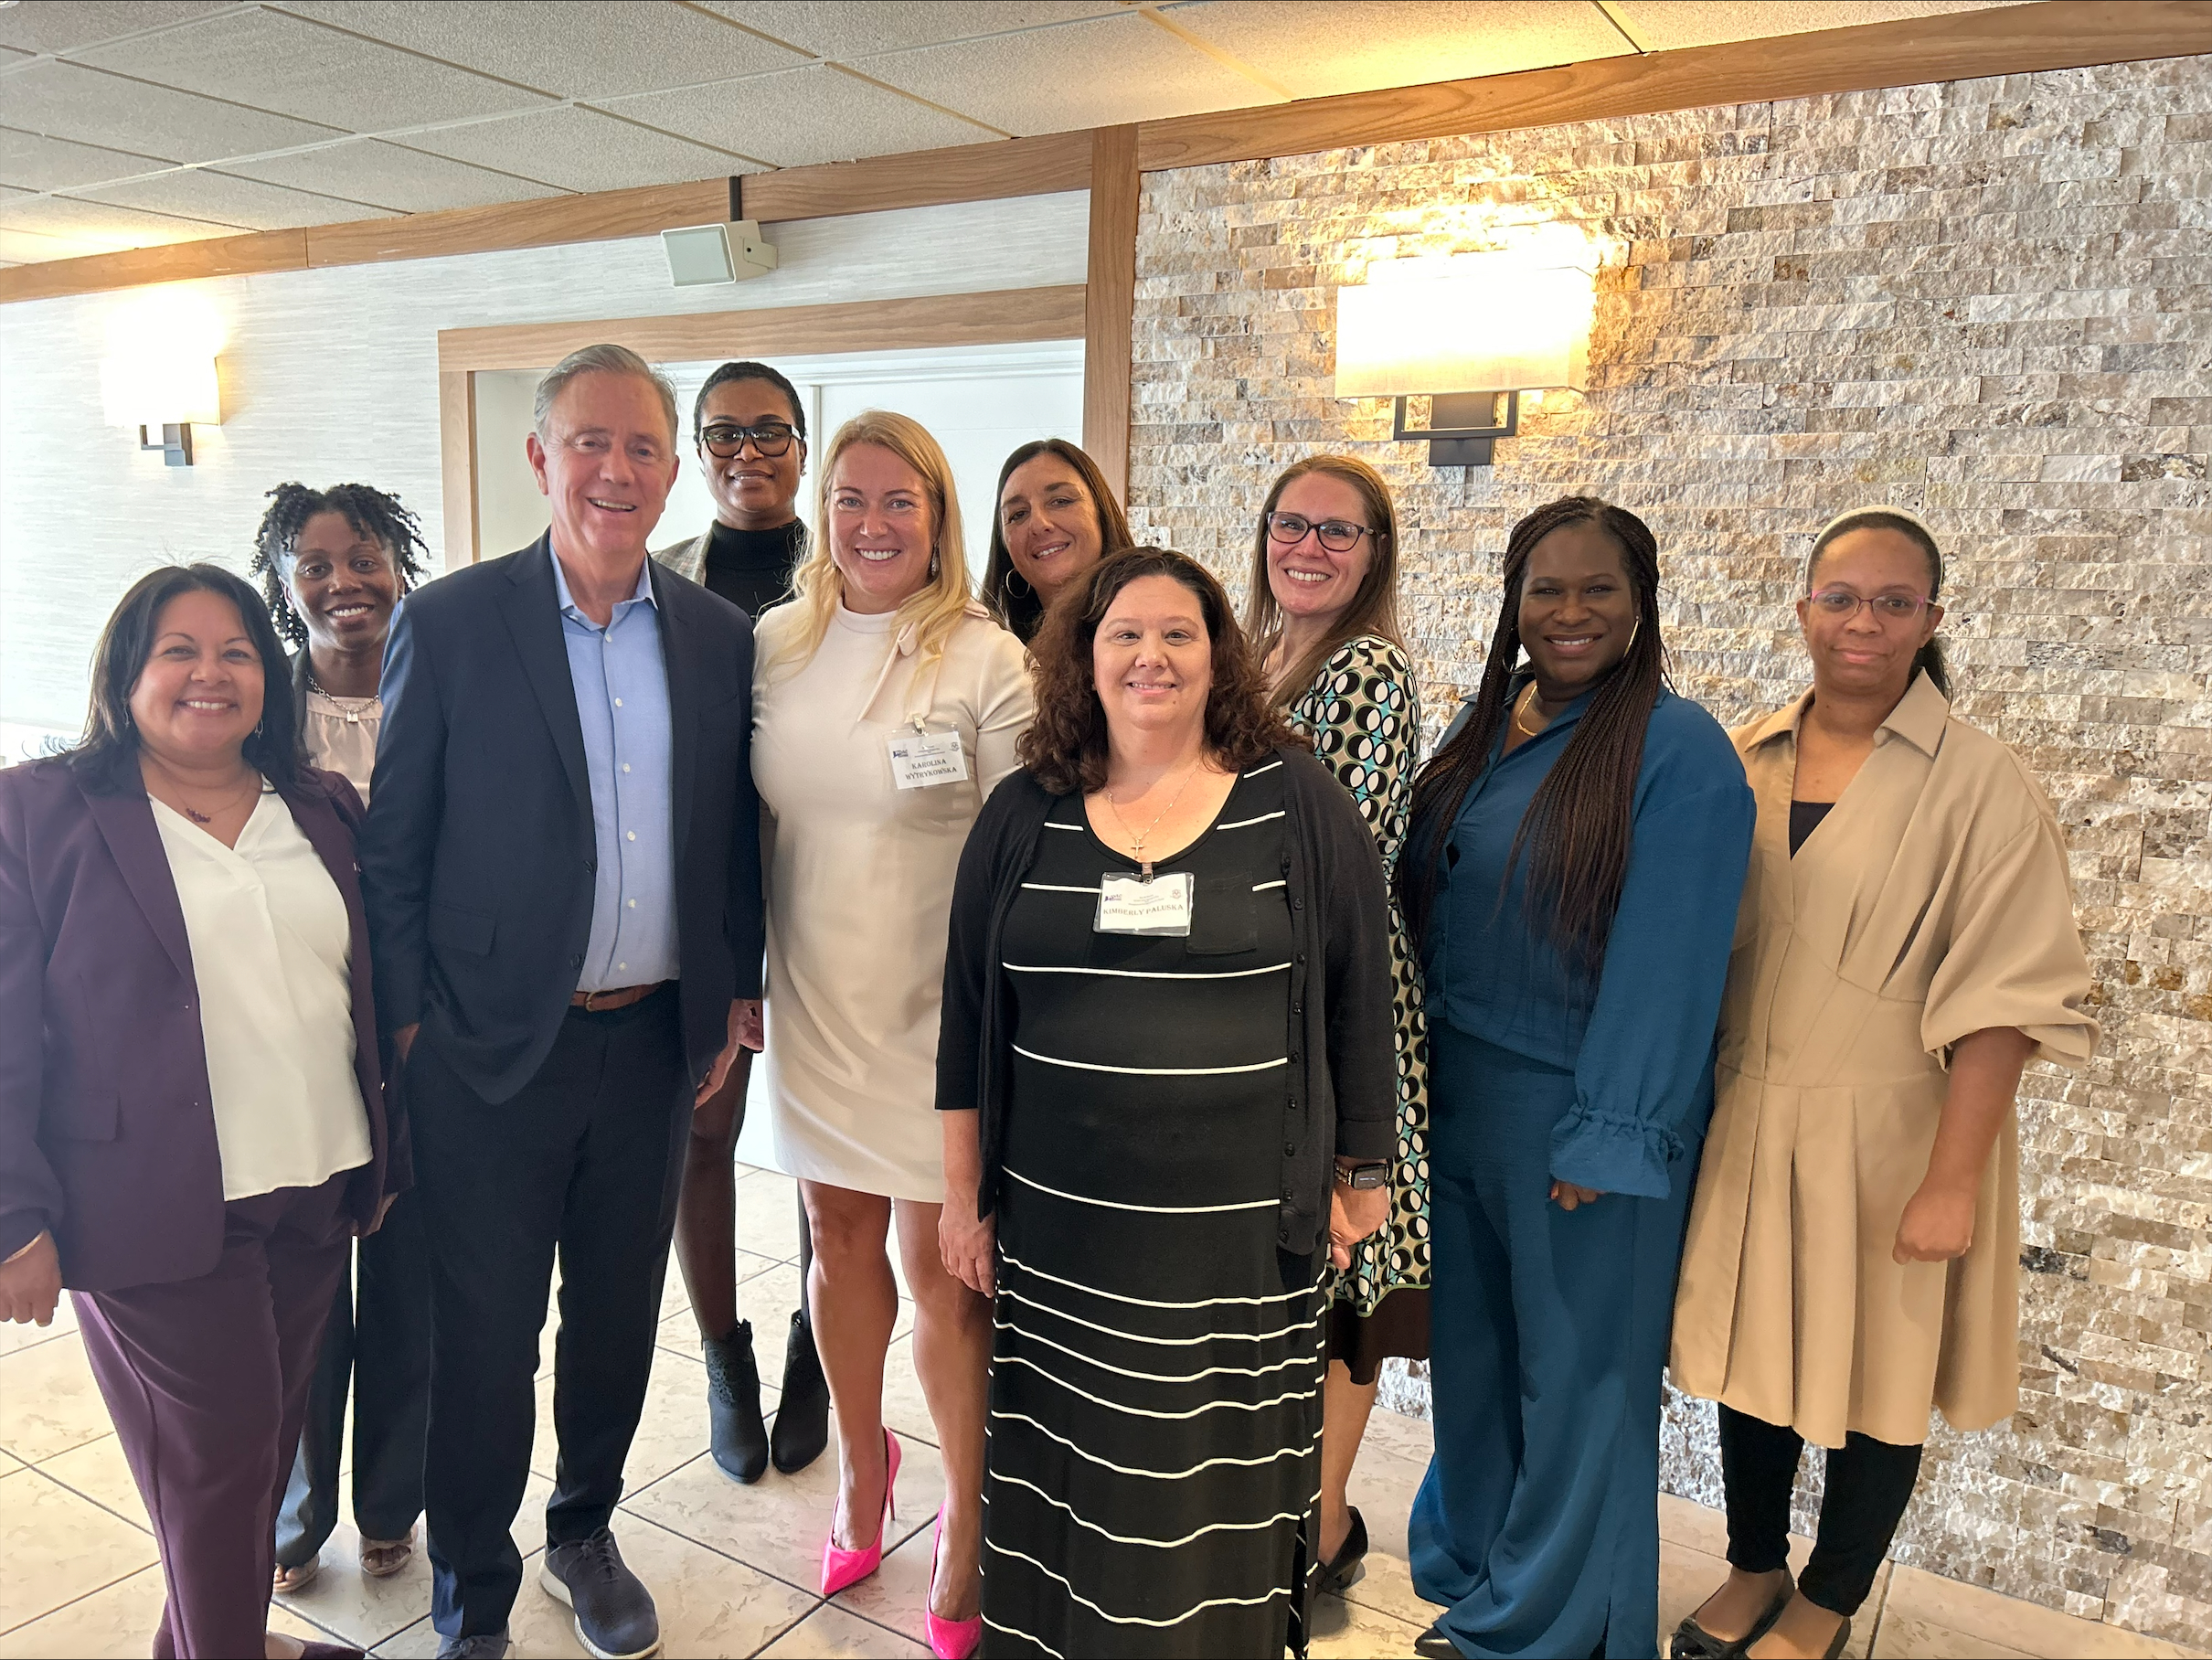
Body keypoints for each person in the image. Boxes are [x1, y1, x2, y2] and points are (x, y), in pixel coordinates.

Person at [360, 344, 766, 1660]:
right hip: (485, 1051)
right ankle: (473, 1588)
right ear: (541, 457)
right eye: (591, 442)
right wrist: (410, 1026)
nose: (616, 469)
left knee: (613, 1318)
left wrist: (731, 994)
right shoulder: (452, 623)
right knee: (484, 1336)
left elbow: (733, 837)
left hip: (650, 1045)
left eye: (643, 446)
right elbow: (394, 849)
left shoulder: (716, 636)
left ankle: (582, 1529)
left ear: (671, 471)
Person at [937, 545, 1398, 1659]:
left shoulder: (1295, 801)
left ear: (1216, 655)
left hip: (1236, 1248)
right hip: (1061, 1241)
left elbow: (1360, 993)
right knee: (1069, 1475)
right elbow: (965, 1019)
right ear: (1083, 659)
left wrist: (1362, 1172)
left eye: (1178, 633)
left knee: (1208, 1488)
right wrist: (961, 1198)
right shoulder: (1021, 812)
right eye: (1124, 634)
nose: (1151, 656)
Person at [1668, 508, 2097, 1660]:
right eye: (1840, 597)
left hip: (1900, 1127)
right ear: (1802, 609)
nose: (1862, 621)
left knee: (1881, 1375)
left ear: (1929, 619)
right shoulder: (1739, 756)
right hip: (1748, 1111)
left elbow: (2008, 995)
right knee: (1750, 1361)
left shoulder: (1980, 783)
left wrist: (1950, 1181)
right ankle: (1752, 1564)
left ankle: (1827, 1596)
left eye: (1892, 602)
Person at [0, 564, 406, 1660]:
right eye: (178, 650)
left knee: (251, 1455)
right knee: (222, 1462)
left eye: (234, 652)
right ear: (125, 672)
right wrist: (14, 1218)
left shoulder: (320, 806)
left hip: (314, 1182)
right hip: (153, 1206)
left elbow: (358, 989)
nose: (209, 673)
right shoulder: (39, 812)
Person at [1398, 497, 1755, 1660]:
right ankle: (1484, 1570)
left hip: (1580, 1107)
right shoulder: (1489, 720)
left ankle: (1552, 1627)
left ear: (1639, 600)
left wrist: (1609, 1130)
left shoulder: (1675, 748)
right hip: (1462, 1097)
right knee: (1477, 1360)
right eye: (1543, 588)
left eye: (1597, 587)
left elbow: (1671, 956)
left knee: (1576, 1380)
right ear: (1512, 599)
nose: (1568, 611)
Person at [750, 410, 1031, 1660]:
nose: (872, 524)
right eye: (850, 499)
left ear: (937, 517)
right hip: (815, 988)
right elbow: (747, 822)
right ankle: (865, 1472)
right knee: (833, 1233)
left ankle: (967, 1516)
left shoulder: (985, 654)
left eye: (898, 501)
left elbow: (1021, 847)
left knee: (941, 1270)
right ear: (824, 511)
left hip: (939, 1005)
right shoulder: (777, 641)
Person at [1245, 454, 1432, 1601]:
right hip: (1254, 990)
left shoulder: (1367, 668)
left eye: (1337, 531)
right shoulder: (1251, 651)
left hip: (1333, 997)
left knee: (1339, 1281)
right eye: (1290, 524)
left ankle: (1316, 1531)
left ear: (1374, 555)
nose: (1307, 547)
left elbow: (1336, 847)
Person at [250, 481, 434, 1592]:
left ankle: (390, 1502)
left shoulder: (444, 683)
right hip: (301, 1027)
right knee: (307, 1287)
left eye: (363, 557)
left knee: (411, 1283)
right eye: (314, 565)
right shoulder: (258, 710)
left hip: (422, 1033)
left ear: (398, 565)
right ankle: (295, 1511)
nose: (342, 582)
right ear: (284, 583)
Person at [651, 359, 830, 1484]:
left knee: (825, 1146)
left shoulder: (853, 567)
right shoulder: (657, 576)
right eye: (723, 431)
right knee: (702, 1133)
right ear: (696, 450)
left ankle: (819, 1344)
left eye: (770, 430)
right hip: (701, 896)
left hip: (822, 891)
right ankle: (725, 1357)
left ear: (802, 447)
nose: (747, 451)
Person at [979, 438, 1133, 642]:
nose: (1039, 524)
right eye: (1018, 514)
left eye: (1060, 501)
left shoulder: (1158, 626)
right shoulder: (993, 650)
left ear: (1101, 511)